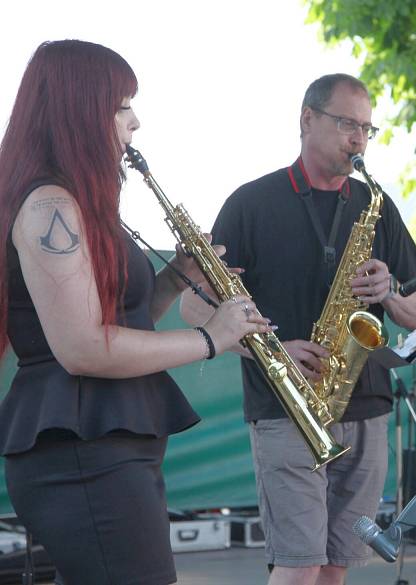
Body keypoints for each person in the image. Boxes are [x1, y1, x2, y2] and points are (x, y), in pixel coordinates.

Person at [0, 40, 269, 585]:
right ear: (81, 110)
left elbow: (116, 319)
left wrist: (174, 281)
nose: (135, 122)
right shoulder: (50, 205)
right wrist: (211, 337)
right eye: (122, 105)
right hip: (82, 453)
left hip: (103, 446)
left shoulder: (72, 199)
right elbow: (82, 347)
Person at [181, 73, 416, 585]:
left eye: (367, 128)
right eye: (346, 124)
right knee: (299, 567)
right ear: (306, 119)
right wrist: (269, 351)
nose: (358, 139)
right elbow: (192, 306)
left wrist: (390, 293)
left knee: (335, 567)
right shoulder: (250, 204)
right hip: (286, 407)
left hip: (366, 409)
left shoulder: (375, 205)